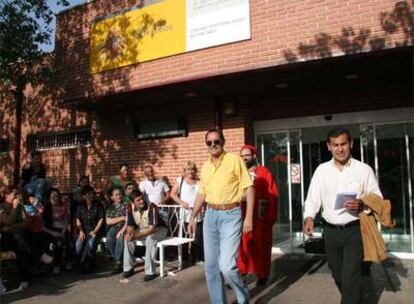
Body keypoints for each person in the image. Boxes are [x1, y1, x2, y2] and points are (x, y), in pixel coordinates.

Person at [303, 126, 383, 304]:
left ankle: (351, 297)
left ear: (351, 144)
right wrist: (309, 217)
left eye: (344, 144)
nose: (340, 149)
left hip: (355, 231)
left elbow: (378, 198)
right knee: (339, 275)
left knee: (350, 277)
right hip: (330, 232)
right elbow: (313, 198)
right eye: (335, 145)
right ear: (328, 146)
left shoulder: (364, 170)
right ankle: (354, 294)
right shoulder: (321, 171)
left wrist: (362, 203)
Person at [188, 129, 255, 304]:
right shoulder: (206, 166)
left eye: (216, 141)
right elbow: (202, 194)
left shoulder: (235, 160)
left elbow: (249, 188)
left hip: (231, 215)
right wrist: (193, 217)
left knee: (226, 266)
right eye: (209, 143)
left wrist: (248, 218)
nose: (213, 145)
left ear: (223, 142)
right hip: (210, 216)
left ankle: (242, 296)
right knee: (210, 268)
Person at [238, 144, 278, 286]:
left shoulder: (264, 172)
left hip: (260, 217)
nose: (244, 158)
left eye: (247, 155)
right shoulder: (238, 173)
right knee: (242, 246)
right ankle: (241, 272)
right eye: (242, 156)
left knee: (261, 247)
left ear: (254, 156)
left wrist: (269, 217)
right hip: (241, 215)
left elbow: (272, 195)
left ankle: (262, 274)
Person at [122, 190, 168, 281]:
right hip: (143, 229)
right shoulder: (129, 208)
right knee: (127, 239)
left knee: (150, 239)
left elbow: (152, 229)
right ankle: (128, 268)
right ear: (132, 202)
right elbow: (130, 226)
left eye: (142, 199)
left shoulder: (152, 207)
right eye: (138, 200)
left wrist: (136, 236)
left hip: (159, 229)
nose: (142, 201)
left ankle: (150, 272)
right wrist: (130, 235)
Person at [170, 161, 204, 263]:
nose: (190, 171)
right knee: (185, 236)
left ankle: (197, 258)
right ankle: (184, 258)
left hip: (197, 212)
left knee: (198, 236)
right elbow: (172, 194)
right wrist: (181, 202)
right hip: (185, 213)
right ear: (185, 171)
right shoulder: (180, 180)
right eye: (188, 169)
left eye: (192, 169)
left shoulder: (199, 181)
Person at [0, 187, 31, 289]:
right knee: (21, 244)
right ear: (6, 195)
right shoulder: (1, 207)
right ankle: (38, 255)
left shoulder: (20, 206)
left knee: (21, 245)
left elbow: (26, 222)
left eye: (18, 194)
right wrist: (14, 207)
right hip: (5, 239)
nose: (17, 196)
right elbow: (7, 221)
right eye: (15, 194)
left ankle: (24, 279)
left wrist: (12, 227)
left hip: (18, 236)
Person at [75, 185, 105, 273]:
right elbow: (77, 219)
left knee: (91, 243)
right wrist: (80, 231)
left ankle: (89, 264)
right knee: (78, 245)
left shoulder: (98, 205)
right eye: (88, 194)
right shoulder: (80, 205)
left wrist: (95, 231)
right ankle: (80, 263)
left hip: (95, 229)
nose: (91, 195)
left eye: (92, 193)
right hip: (83, 230)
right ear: (84, 196)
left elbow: (101, 219)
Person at [42, 188, 72, 274]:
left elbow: (66, 220)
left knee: (69, 242)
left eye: (57, 196)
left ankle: (68, 261)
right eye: (53, 196)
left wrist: (63, 231)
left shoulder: (63, 206)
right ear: (49, 197)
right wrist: (52, 232)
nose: (56, 198)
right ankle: (56, 264)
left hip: (62, 228)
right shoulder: (45, 208)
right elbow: (42, 226)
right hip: (50, 230)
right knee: (58, 244)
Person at [106, 187, 127, 273]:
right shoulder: (110, 207)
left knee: (120, 239)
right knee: (109, 239)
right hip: (114, 227)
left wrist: (122, 230)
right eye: (116, 195)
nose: (119, 196)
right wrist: (122, 217)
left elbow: (128, 220)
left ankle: (117, 262)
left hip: (125, 227)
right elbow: (108, 221)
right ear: (112, 197)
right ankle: (118, 261)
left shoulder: (126, 205)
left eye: (120, 194)